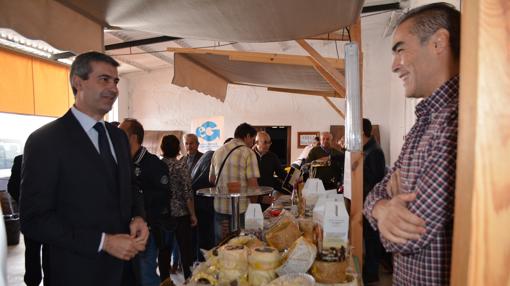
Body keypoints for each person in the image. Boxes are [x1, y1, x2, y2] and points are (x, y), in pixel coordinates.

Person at [19, 51, 149, 286]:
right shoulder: (46, 141)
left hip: (125, 272)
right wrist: (104, 242)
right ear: (78, 82)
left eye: (116, 81)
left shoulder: (118, 137)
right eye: (104, 79)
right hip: (77, 273)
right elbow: (34, 219)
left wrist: (138, 216)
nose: (114, 88)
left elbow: (130, 186)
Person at [363, 3, 460, 285]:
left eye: (400, 49)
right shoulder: (424, 121)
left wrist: (382, 205)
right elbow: (379, 189)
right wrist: (382, 206)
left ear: (439, 42)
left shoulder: (456, 123)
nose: (394, 65)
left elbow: (404, 239)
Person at [119, 118, 171, 286]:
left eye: (121, 134)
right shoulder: (122, 163)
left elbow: (163, 197)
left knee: (145, 275)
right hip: (124, 232)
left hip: (146, 232)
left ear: (133, 138)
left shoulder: (153, 164)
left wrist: (139, 209)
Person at [209, 123, 260, 243]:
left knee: (221, 247)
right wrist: (254, 206)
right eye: (253, 140)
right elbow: (253, 185)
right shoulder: (248, 153)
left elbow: (211, 179)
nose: (252, 143)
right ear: (247, 136)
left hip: (220, 208)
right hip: (240, 210)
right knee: (238, 246)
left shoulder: (218, 151)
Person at [8, 155, 50, 286]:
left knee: (33, 250)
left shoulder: (21, 159)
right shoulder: (50, 158)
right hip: (45, 214)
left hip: (33, 215)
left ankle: (33, 280)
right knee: (45, 250)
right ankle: (43, 280)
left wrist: (24, 204)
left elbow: (11, 187)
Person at [160, 135, 197, 281]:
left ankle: (164, 281)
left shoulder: (158, 165)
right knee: (186, 251)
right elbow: (188, 192)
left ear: (162, 148)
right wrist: (193, 214)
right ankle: (188, 281)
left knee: (164, 252)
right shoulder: (181, 166)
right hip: (181, 214)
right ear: (178, 149)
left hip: (164, 214)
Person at [360, 118, 387, 284]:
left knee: (371, 239)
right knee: (368, 238)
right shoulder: (366, 149)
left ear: (362, 132)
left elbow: (377, 182)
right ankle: (369, 269)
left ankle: (371, 273)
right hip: (365, 200)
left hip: (372, 202)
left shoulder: (374, 151)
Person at [253, 131, 286, 209]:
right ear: (257, 142)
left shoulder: (273, 157)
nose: (268, 145)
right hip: (252, 196)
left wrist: (292, 179)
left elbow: (281, 173)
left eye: (269, 142)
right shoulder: (249, 155)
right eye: (265, 142)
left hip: (267, 195)